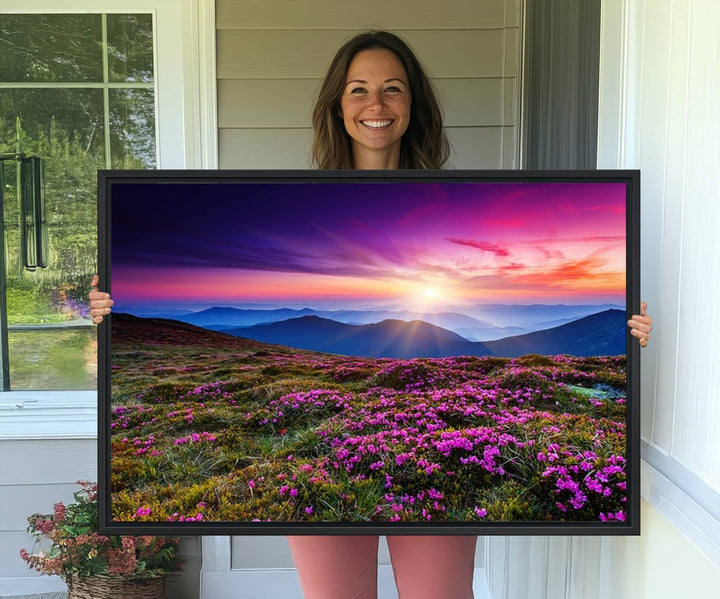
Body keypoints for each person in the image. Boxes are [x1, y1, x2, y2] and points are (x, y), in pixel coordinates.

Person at [90, 30, 653, 599]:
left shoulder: (457, 197)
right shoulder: (299, 199)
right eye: (358, 89)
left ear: (414, 105)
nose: (376, 105)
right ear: (338, 105)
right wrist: (112, 313)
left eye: (392, 89)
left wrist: (629, 335)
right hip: (331, 451)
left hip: (435, 451)